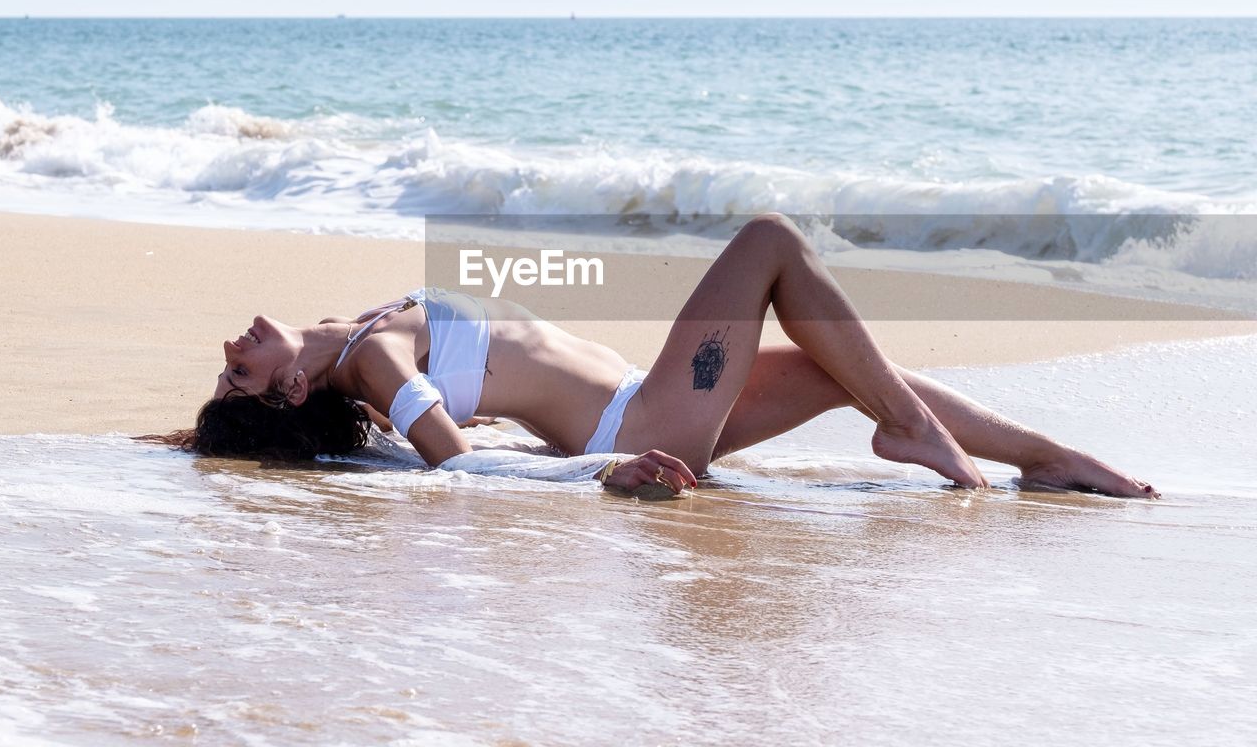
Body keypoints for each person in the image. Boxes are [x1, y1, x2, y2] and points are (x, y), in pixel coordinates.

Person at [186, 214, 1158, 498]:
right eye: (240, 374)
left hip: (652, 404)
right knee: (768, 243)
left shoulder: (357, 333)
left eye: (231, 359)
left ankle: (1040, 458)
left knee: (836, 369)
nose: (233, 348)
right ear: (295, 387)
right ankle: (910, 432)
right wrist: (605, 474)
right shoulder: (374, 364)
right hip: (642, 422)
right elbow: (459, 465)